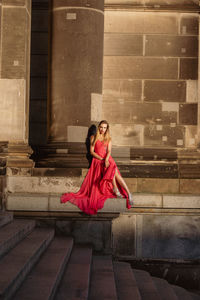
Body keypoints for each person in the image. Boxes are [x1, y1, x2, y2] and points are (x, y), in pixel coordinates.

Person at [61, 120, 133, 215]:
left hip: (107, 159)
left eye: (105, 127)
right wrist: (102, 159)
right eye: (101, 127)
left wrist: (106, 159)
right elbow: (92, 152)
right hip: (98, 160)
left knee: (113, 168)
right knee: (113, 170)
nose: (103, 129)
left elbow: (109, 151)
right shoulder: (93, 137)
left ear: (107, 129)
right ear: (99, 127)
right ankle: (117, 189)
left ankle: (128, 193)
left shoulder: (108, 139)